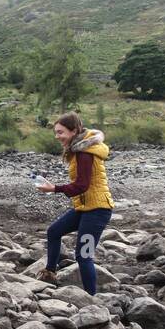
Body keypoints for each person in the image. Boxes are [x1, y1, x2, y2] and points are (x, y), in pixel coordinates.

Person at [34, 112, 114, 295]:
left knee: (84, 255)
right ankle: (49, 273)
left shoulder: (84, 153)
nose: (57, 136)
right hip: (85, 208)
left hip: (98, 210)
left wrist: (54, 188)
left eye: (60, 132)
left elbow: (82, 185)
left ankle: (91, 298)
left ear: (74, 131)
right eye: (56, 132)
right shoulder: (78, 150)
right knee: (54, 231)